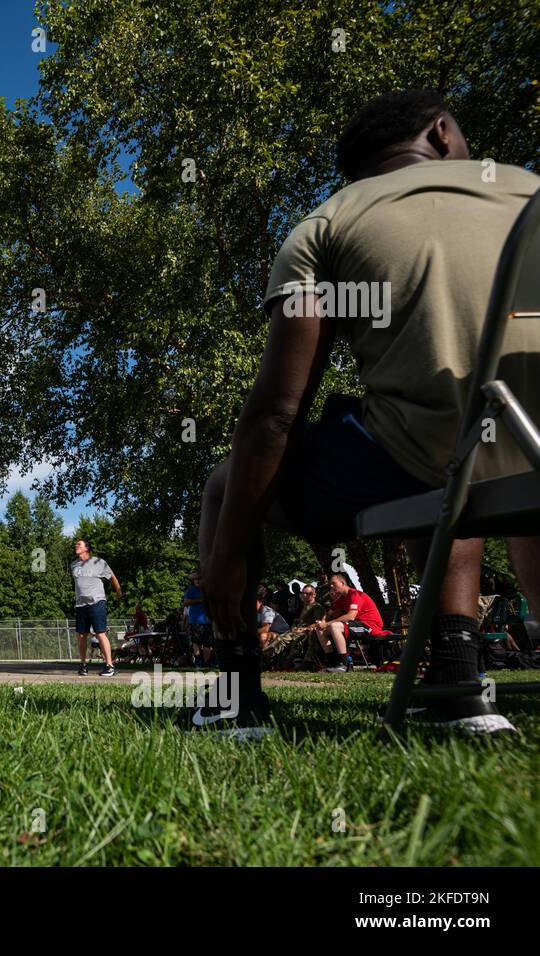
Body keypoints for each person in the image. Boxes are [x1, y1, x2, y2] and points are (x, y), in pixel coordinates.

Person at [197, 89, 540, 736]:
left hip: (437, 458)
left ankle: (236, 699)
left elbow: (274, 417)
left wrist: (225, 554)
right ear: (442, 135)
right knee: (454, 451)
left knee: (228, 486)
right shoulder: (527, 188)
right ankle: (456, 683)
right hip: (529, 450)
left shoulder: (329, 224)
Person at [304, 573, 389, 672]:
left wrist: (326, 624)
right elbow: (329, 614)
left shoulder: (354, 594)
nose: (331, 586)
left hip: (370, 626)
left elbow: (350, 616)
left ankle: (343, 665)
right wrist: (318, 624)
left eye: (333, 583)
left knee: (335, 626)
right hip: (357, 625)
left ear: (342, 583)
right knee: (320, 630)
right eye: (330, 584)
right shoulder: (342, 598)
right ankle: (332, 663)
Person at [71, 538, 122, 677]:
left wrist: (118, 590)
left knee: (100, 633)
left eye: (79, 544)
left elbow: (111, 576)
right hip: (81, 604)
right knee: (81, 636)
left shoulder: (99, 562)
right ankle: (83, 665)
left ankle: (110, 666)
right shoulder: (74, 564)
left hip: (97, 601)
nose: (76, 546)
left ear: (86, 548)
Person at [183, 571, 214, 668]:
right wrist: (200, 601)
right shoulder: (191, 590)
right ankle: (198, 660)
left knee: (207, 643)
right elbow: (186, 602)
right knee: (196, 642)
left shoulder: (208, 590)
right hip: (195, 620)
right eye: (195, 579)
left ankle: (207, 662)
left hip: (207, 620)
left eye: (199, 579)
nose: (197, 581)